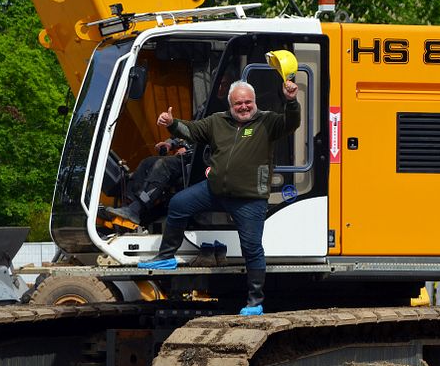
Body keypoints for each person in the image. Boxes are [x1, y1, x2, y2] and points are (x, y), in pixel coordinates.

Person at [138, 79, 300, 316]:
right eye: (238, 104)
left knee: (252, 248)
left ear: (254, 102)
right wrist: (172, 124)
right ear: (230, 105)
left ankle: (254, 303)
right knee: (178, 204)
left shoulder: (268, 121)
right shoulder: (217, 121)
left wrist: (291, 100)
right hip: (215, 190)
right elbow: (191, 131)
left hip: (249, 198)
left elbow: (292, 122)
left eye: (248, 102)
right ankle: (166, 257)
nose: (244, 107)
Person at [105, 139, 192, 224]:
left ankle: (136, 208)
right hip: (185, 157)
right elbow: (183, 135)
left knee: (162, 164)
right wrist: (170, 143)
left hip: (195, 160)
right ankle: (128, 204)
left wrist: (188, 149)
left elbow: (198, 134)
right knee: (148, 162)